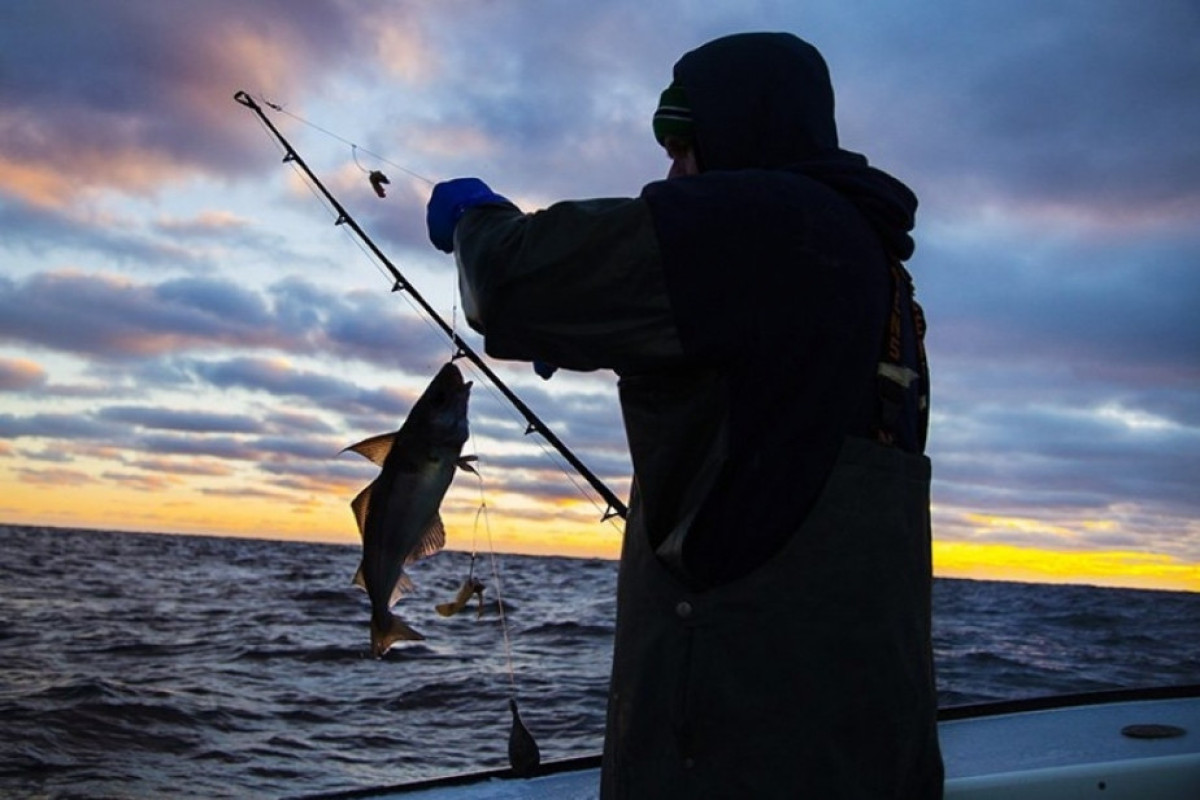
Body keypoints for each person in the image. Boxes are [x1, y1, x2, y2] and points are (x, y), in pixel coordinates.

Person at [426, 31, 942, 799]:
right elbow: (766, 419)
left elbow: (509, 282)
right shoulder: (871, 266)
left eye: (684, 144)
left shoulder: (763, 217)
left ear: (741, 127)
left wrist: (478, 221)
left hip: (733, 752)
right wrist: (619, 332)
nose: (672, 171)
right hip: (863, 745)